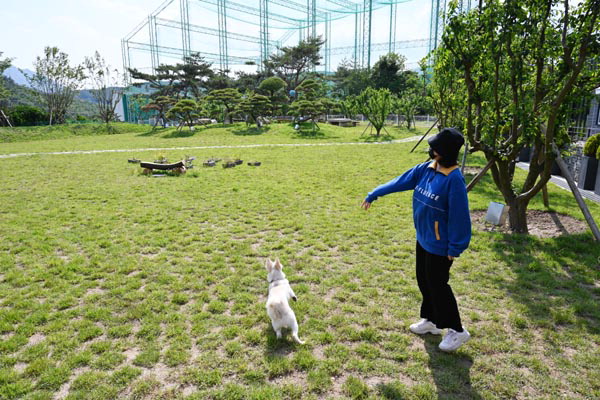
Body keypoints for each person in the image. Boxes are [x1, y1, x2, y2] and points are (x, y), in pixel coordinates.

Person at [361, 127, 472, 352]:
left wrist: (456, 246)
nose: (431, 151)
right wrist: (375, 193)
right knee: (424, 280)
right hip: (423, 238)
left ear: (446, 152)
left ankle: (457, 330)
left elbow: (460, 217)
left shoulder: (454, 180)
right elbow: (400, 181)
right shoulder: (426, 169)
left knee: (438, 285)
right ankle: (430, 321)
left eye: (435, 148)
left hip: (441, 246)